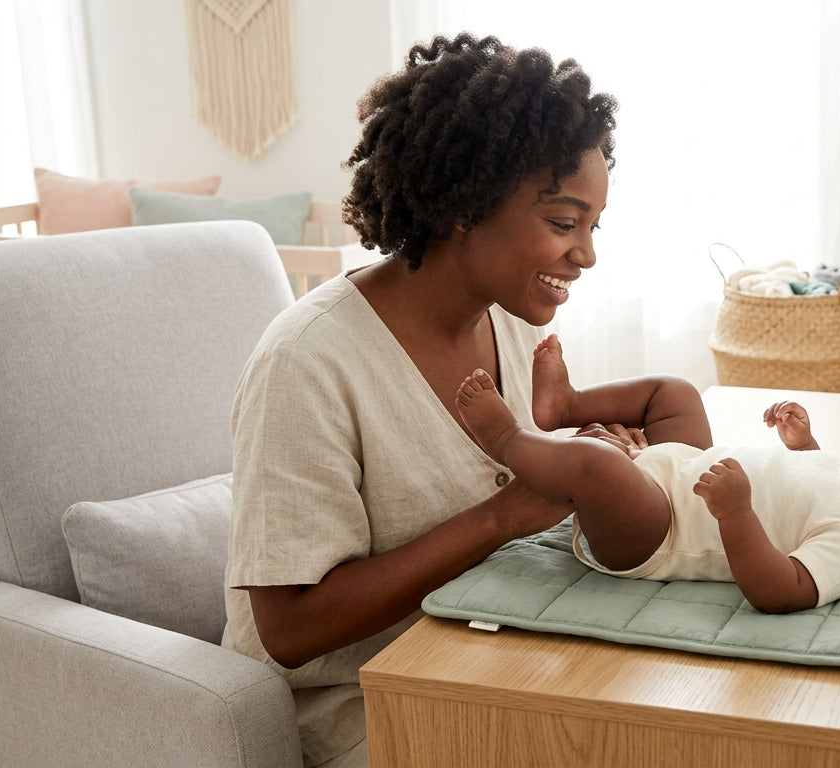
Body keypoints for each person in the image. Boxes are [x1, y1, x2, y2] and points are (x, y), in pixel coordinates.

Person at [222, 33, 623, 767]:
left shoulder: (510, 322)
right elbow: (289, 628)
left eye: (593, 227)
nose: (586, 254)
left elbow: (532, 484)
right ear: (465, 204)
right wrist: (506, 514)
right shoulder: (306, 363)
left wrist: (584, 464)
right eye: (564, 224)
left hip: (481, 667)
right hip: (357, 713)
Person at [455, 334, 840, 615]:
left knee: (596, 465)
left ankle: (507, 438)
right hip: (683, 471)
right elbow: (809, 486)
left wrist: (737, 514)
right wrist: (804, 443)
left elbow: (782, 589)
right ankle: (566, 406)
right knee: (677, 393)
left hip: (658, 530)